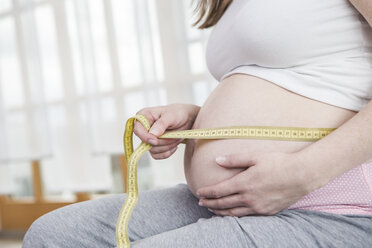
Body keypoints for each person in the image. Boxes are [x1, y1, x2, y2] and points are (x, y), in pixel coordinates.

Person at [23, 0, 372, 247]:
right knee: (55, 235)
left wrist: (304, 172)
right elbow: (295, 85)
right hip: (222, 197)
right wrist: (198, 116)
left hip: (330, 203)